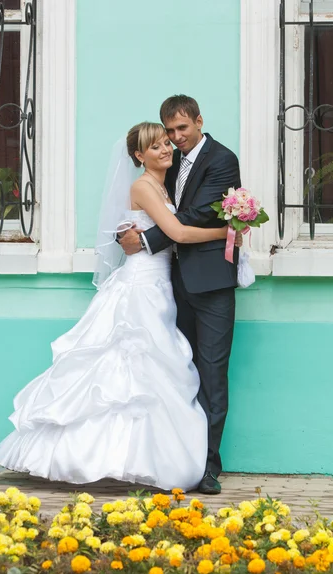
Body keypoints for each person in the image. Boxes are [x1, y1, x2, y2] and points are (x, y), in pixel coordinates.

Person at [0, 121, 232, 492]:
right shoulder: (142, 186)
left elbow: (159, 230)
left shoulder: (163, 185)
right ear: (138, 155)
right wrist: (228, 231)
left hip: (162, 284)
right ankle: (93, 458)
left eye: (167, 143)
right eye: (155, 147)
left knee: (155, 377)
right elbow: (178, 233)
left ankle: (148, 458)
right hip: (142, 287)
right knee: (129, 375)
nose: (166, 149)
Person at [120, 95, 242, 495]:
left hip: (210, 283)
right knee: (178, 376)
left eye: (181, 129)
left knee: (210, 373)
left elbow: (200, 213)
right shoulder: (167, 165)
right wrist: (127, 233)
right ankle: (175, 459)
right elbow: (155, 204)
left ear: (199, 121)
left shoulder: (222, 159)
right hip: (170, 286)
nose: (174, 139)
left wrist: (146, 239)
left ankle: (207, 467)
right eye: (168, 132)